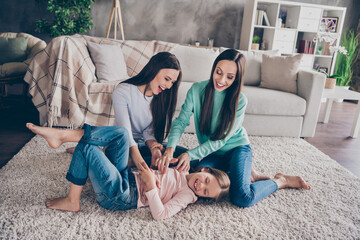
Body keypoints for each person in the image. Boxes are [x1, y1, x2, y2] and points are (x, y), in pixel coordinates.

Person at [156, 49, 311, 208]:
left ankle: (280, 180)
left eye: (229, 77)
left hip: (237, 148)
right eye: (218, 72)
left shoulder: (240, 101)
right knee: (196, 178)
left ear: (236, 79)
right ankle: (245, 172)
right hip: (213, 153)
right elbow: (181, 121)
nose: (221, 80)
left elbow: (219, 141)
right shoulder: (196, 90)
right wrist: (170, 148)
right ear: (214, 68)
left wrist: (189, 154)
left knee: (242, 197)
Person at [26, 123, 230, 220]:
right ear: (205, 170)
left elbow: (161, 214)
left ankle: (73, 200)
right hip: (125, 175)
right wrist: (154, 159)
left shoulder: (187, 196)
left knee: (87, 149)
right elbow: (144, 161)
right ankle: (65, 135)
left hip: (121, 194)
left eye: (204, 192)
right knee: (123, 133)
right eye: (205, 180)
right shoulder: (179, 164)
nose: (200, 186)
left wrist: (150, 185)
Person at [67, 52, 187, 167]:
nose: (169, 86)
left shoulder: (161, 97)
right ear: (154, 69)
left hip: (142, 144)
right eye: (167, 79)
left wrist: (154, 147)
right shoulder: (123, 91)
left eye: (173, 82)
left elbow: (148, 130)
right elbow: (126, 132)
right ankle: (91, 151)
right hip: (122, 143)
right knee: (125, 160)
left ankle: (99, 154)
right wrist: (140, 163)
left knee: (181, 157)